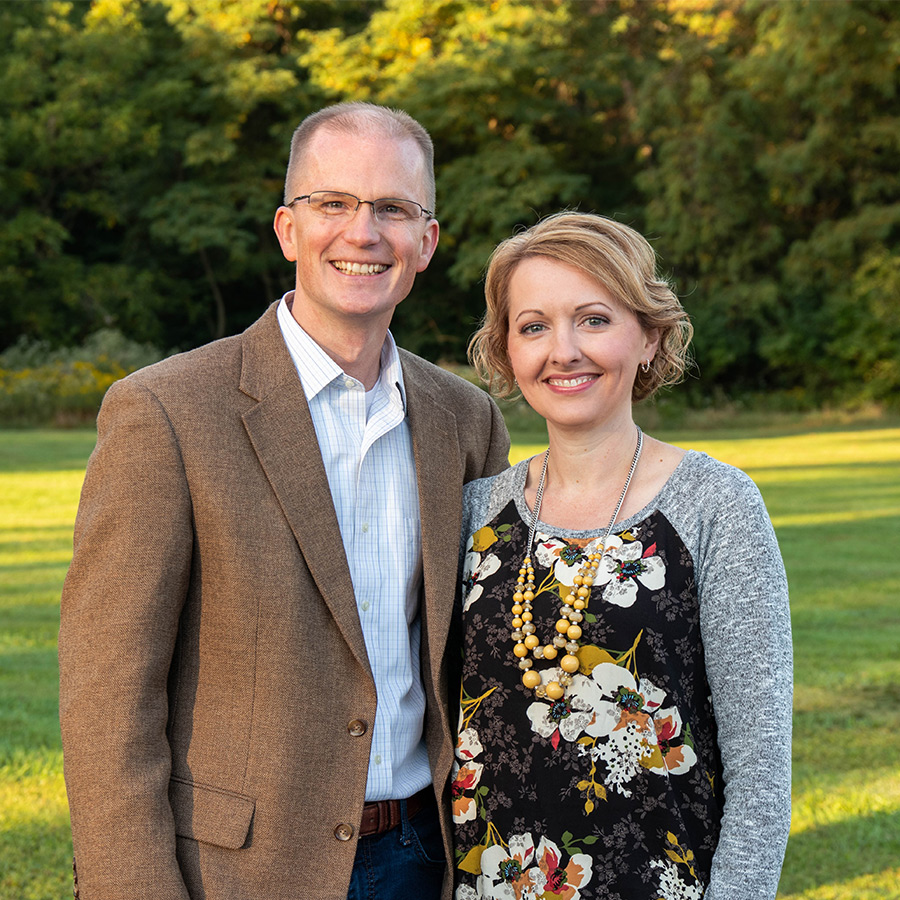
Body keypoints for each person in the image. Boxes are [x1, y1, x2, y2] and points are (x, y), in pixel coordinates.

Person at [58, 101, 510, 900]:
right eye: (333, 203)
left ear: (427, 241)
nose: (363, 232)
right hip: (238, 871)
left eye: (393, 208)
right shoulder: (165, 412)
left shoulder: (466, 421)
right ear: (287, 230)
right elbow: (107, 700)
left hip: (427, 859)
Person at [451, 212, 792, 899]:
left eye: (594, 320)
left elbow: (761, 771)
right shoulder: (475, 511)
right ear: (507, 350)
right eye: (534, 326)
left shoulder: (715, 504)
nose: (564, 350)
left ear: (649, 336)